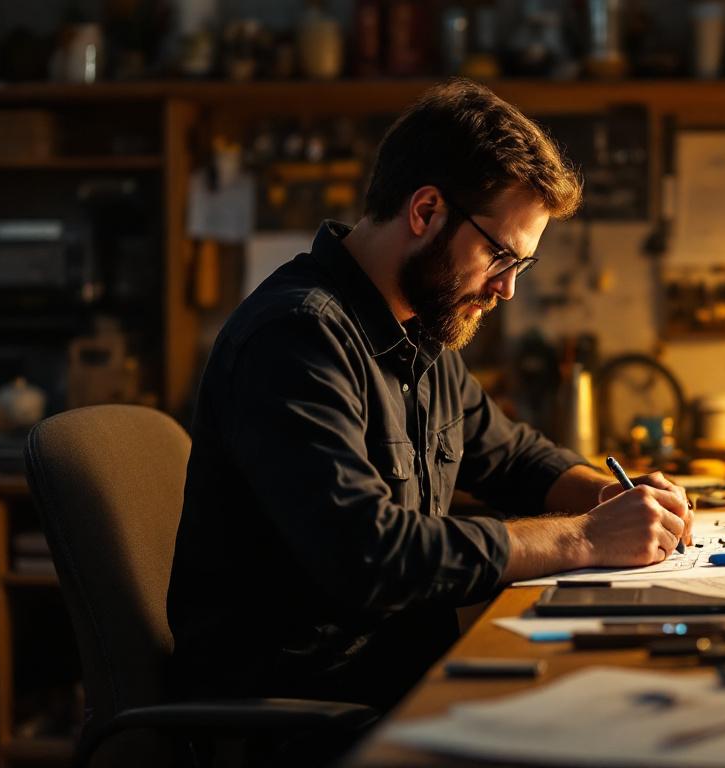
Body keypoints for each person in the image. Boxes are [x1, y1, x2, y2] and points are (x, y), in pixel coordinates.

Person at [166, 80, 693, 710]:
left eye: (520, 267)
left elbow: (512, 456)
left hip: (399, 681)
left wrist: (614, 498)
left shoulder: (420, 332)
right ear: (425, 211)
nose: (506, 290)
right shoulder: (296, 337)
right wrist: (584, 538)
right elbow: (370, 554)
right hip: (306, 714)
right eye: (501, 256)